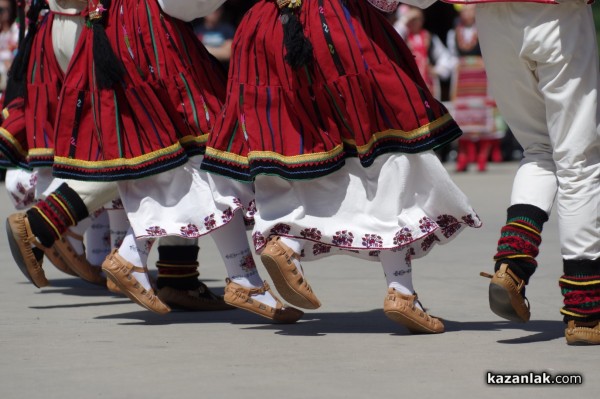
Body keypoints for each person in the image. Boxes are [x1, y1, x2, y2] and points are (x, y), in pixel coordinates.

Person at [5, 0, 301, 321]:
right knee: (206, 154)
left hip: (106, 28)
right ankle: (54, 224)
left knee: (175, 159)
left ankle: (175, 273)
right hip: (143, 34)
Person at [202, 0, 481, 334]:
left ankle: (285, 243)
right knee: (388, 150)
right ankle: (401, 291)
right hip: (333, 23)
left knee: (296, 146)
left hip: (262, 26)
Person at [445, 0, 600, 345]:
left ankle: (512, 265)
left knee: (538, 148)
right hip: (557, 13)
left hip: (492, 19)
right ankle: (584, 311)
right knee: (578, 160)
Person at [446, 4, 504, 172]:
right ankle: (464, 155)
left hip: (481, 78)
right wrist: (456, 65)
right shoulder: (454, 33)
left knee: (483, 114)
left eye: (470, 10)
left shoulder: (484, 30)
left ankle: (482, 157)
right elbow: (450, 57)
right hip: (463, 79)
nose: (467, 13)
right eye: (465, 10)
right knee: (462, 116)